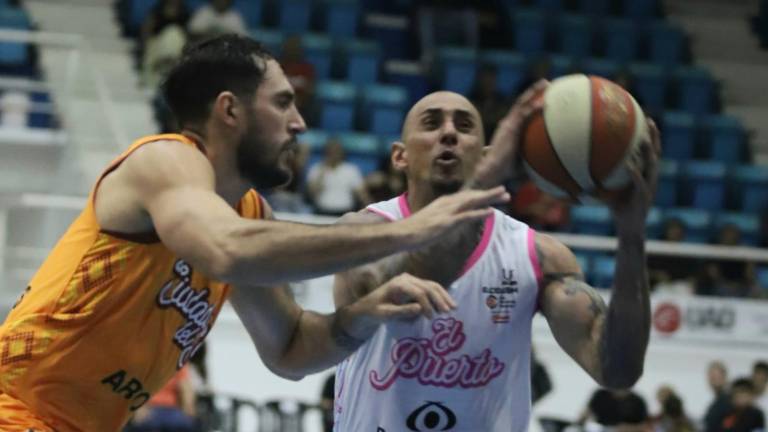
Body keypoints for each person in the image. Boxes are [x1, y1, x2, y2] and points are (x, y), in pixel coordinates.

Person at [0, 35, 507, 431]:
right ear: (229, 110)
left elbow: (291, 349)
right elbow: (226, 250)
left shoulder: (246, 214)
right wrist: (407, 232)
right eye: (284, 104)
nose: (300, 124)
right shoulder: (165, 159)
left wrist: (363, 315)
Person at [332, 85, 660, 430]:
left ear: (487, 153)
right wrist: (484, 181)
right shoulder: (363, 232)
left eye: (464, 126)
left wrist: (632, 234)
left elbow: (618, 371)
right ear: (400, 156)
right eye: (431, 124)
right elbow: (401, 283)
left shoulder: (537, 256)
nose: (448, 133)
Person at [307, 139, 365, 216]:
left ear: (341, 152)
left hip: (344, 213)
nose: (334, 153)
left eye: (336, 150)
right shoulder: (316, 168)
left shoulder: (351, 169)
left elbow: (361, 194)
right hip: (321, 212)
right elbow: (312, 194)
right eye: (330, 151)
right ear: (326, 152)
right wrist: (322, 172)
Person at [705, 361, 732, 432]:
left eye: (716, 376)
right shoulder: (716, 401)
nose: (713, 380)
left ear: (724, 377)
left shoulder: (730, 400)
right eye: (711, 377)